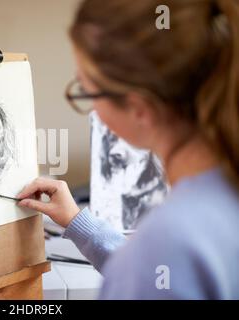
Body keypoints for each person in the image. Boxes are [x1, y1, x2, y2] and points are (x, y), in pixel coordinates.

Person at [18, 0, 239, 299]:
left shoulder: (169, 241)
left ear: (139, 109)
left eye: (86, 89)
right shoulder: (217, 198)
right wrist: (78, 222)